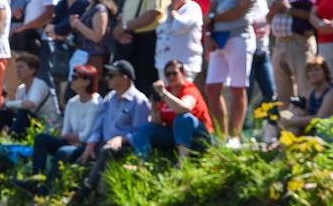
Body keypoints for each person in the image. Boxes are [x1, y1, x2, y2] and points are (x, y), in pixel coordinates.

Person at [204, 0, 261, 145]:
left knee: (238, 88)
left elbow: (239, 11)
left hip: (239, 37)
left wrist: (212, 19)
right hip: (219, 39)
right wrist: (209, 33)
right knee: (212, 88)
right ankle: (221, 135)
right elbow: (212, 9)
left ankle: (235, 135)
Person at [75, 59, 150, 196]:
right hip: (103, 143)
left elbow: (141, 133)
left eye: (111, 75)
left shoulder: (139, 101)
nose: (106, 78)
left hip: (123, 147)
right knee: (74, 153)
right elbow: (99, 125)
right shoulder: (110, 98)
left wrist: (122, 139)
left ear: (124, 77)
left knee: (107, 150)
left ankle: (85, 190)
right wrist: (91, 143)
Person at [25, 63, 101, 193]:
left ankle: (46, 188)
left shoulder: (95, 103)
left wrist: (74, 138)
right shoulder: (72, 103)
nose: (72, 80)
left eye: (76, 77)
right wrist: (73, 137)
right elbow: (65, 132)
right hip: (72, 142)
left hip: (85, 147)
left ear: (87, 82)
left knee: (63, 151)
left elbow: (86, 136)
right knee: (41, 139)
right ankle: (36, 179)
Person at [113, 0, 171, 97]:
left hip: (148, 40)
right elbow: (126, 14)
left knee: (145, 83)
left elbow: (152, 14)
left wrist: (124, 27)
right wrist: (121, 31)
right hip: (132, 39)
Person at [268, 0, 322, 103]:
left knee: (305, 86)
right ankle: (287, 124)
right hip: (279, 43)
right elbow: (270, 15)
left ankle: (306, 123)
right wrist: (274, 9)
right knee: (282, 92)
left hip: (300, 42)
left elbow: (315, 15)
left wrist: (289, 9)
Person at [133, 59, 214, 160]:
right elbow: (156, 123)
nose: (171, 77)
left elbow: (185, 108)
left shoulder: (189, 89)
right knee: (145, 129)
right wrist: (155, 109)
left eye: (174, 73)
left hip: (199, 136)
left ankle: (183, 161)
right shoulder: (166, 92)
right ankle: (141, 161)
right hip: (175, 137)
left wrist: (163, 94)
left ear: (183, 74)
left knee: (183, 118)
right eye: (168, 74)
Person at [277, 56, 333, 135]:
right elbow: (306, 114)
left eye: (317, 70)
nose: (313, 73)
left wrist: (290, 121)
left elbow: (319, 119)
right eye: (310, 71)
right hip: (314, 131)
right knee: (287, 114)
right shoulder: (310, 93)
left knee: (291, 124)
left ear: (325, 72)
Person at [0, 52, 60, 137]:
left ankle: (12, 138)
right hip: (31, 123)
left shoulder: (39, 84)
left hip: (46, 126)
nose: (18, 70)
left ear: (32, 70)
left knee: (23, 113)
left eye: (21, 67)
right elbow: (17, 109)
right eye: (17, 67)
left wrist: (8, 103)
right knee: (5, 112)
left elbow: (30, 104)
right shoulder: (21, 89)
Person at [47, 0, 88, 100]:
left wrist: (59, 31)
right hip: (60, 51)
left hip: (75, 52)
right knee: (58, 85)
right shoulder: (62, 4)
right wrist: (60, 32)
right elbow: (49, 28)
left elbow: (62, 28)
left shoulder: (82, 4)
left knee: (70, 89)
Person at [154, 0, 202, 80]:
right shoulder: (167, 9)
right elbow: (160, 30)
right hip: (163, 64)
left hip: (185, 65)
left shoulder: (192, 8)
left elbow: (179, 27)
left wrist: (174, 13)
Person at [69, 0, 115, 83]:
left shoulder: (100, 9)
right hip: (84, 55)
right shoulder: (91, 6)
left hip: (94, 59)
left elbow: (97, 36)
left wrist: (77, 24)